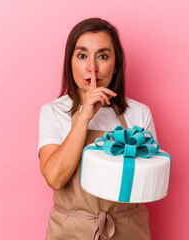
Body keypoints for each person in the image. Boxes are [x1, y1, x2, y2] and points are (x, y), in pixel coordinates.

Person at [38, 17, 158, 240]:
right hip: (71, 232)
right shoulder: (53, 112)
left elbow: (148, 183)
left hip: (129, 231)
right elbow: (54, 178)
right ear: (69, 62)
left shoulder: (139, 113)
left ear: (116, 66)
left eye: (102, 56)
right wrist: (85, 117)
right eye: (82, 56)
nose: (92, 68)